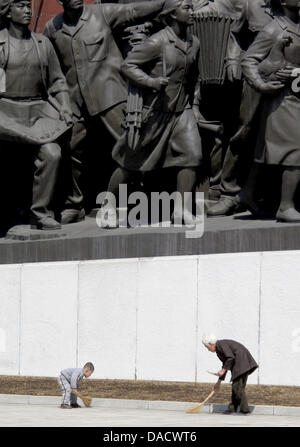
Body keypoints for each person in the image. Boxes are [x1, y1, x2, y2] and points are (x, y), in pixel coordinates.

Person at [44, 0, 168, 225]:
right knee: (68, 150)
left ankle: (142, 200)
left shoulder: (101, 13)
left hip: (110, 95)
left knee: (132, 144)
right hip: (75, 102)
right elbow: (51, 69)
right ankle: (75, 204)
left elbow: (132, 11)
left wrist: (165, 3)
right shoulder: (52, 28)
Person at [99, 0, 203, 227]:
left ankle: (182, 210)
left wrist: (194, 106)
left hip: (180, 111)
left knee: (193, 155)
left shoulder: (194, 43)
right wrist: (151, 81)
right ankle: (108, 204)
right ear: (172, 14)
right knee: (130, 162)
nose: (192, 11)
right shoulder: (157, 41)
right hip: (154, 112)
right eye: (186, 7)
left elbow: (194, 78)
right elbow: (128, 66)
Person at [194, 0, 275, 217]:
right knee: (243, 132)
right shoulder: (251, 5)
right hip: (255, 77)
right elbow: (236, 35)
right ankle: (229, 193)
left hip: (287, 82)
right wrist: (232, 59)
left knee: (279, 137)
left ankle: (268, 194)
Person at [0, 0, 72, 231]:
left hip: (37, 113)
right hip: (6, 114)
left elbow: (57, 82)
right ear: (7, 11)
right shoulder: (0, 44)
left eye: (28, 6)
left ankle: (39, 213)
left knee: (52, 153)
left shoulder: (42, 44)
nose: (28, 11)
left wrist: (64, 105)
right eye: (20, 6)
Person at [241, 0, 300, 222]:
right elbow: (248, 61)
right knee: (296, 150)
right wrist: (261, 85)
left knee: (265, 151)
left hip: (297, 96)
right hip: (282, 101)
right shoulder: (273, 29)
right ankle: (285, 206)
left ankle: (247, 193)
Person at [202, 334, 258, 414]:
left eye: (207, 347)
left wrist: (223, 369)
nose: (208, 350)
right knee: (236, 387)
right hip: (243, 363)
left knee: (237, 388)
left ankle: (245, 410)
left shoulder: (220, 345)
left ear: (211, 344)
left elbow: (230, 358)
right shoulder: (219, 348)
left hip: (242, 363)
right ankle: (232, 408)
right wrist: (218, 383)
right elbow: (226, 364)